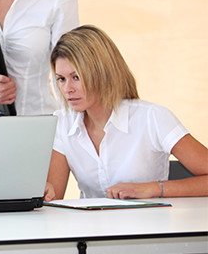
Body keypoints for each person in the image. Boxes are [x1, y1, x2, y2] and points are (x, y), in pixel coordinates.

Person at [44, 25, 208, 200]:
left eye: (76, 77)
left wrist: (153, 189)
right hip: (90, 226)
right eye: (61, 79)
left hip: (149, 225)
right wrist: (43, 192)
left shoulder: (152, 118)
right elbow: (53, 199)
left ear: (102, 73)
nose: (67, 89)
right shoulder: (62, 122)